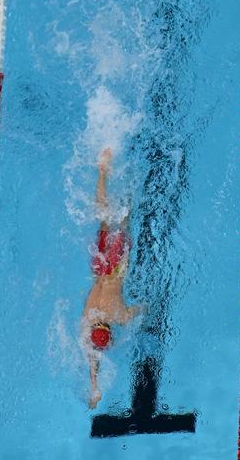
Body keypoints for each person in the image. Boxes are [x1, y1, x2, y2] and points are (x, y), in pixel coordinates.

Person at [83, 149, 141, 409]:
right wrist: (92, 387)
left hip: (116, 268)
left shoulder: (119, 316)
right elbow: (91, 354)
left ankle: (127, 178)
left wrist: (144, 308)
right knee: (105, 221)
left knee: (124, 219)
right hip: (99, 266)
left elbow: (142, 309)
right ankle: (103, 172)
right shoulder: (89, 315)